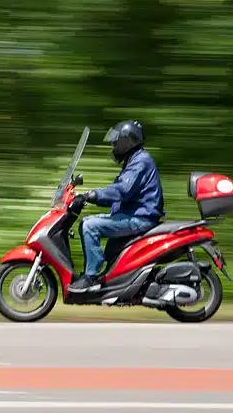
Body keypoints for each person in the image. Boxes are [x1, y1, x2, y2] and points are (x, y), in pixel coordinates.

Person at [68, 120, 164, 292]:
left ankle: (90, 278)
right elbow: (118, 195)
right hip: (134, 214)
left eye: (116, 142)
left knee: (89, 225)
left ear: (129, 141)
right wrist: (86, 198)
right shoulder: (134, 161)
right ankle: (110, 283)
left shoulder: (141, 161)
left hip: (140, 217)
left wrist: (92, 195)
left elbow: (121, 191)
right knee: (106, 242)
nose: (113, 145)